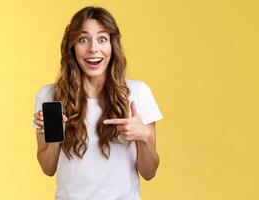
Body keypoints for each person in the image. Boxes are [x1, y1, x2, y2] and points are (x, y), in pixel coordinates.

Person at [31, 6, 163, 200]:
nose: (93, 48)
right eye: (83, 39)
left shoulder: (138, 93)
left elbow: (149, 172)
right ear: (72, 46)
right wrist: (56, 135)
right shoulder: (50, 96)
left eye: (102, 39)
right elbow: (47, 168)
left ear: (112, 46)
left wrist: (143, 137)